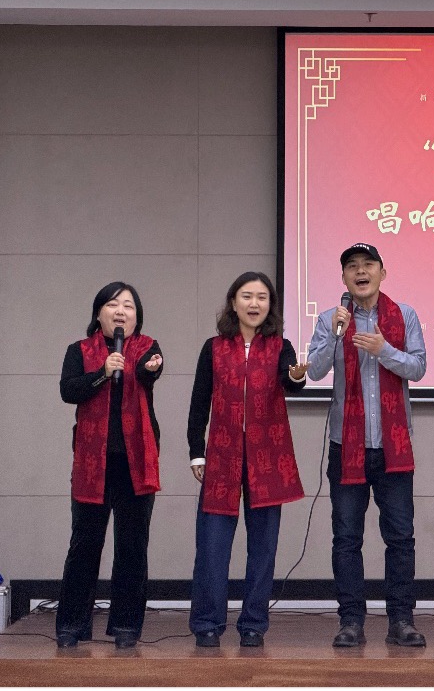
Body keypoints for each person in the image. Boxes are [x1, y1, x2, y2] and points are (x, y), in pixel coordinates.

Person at [307, 243, 428, 648]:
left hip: (393, 446)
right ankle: (351, 622)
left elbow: (418, 367)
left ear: (382, 272)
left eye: (368, 265)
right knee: (346, 538)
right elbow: (316, 371)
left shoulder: (404, 315)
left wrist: (384, 350)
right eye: (352, 267)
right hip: (347, 445)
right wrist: (335, 335)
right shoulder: (330, 319)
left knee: (401, 537)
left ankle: (401, 620)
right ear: (344, 277)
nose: (361, 272)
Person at [187, 271, 307, 648]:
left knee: (264, 547)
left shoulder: (281, 346)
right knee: (212, 545)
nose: (255, 304)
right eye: (247, 296)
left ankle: (254, 623)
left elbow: (292, 382)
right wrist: (195, 451)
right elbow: (199, 402)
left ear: (270, 305)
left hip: (267, 456)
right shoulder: (213, 347)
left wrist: (297, 376)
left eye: (262, 297)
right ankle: (207, 622)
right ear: (233, 302)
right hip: (221, 455)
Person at [56, 282, 164, 649]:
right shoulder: (79, 351)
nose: (121, 311)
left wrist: (149, 368)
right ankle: (72, 625)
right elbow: (69, 390)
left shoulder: (147, 347)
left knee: (132, 547)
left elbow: (150, 372)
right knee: (84, 545)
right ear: (99, 312)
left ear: (137, 316)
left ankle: (126, 627)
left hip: (135, 463)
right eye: (113, 304)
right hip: (93, 464)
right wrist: (103, 371)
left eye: (129, 306)